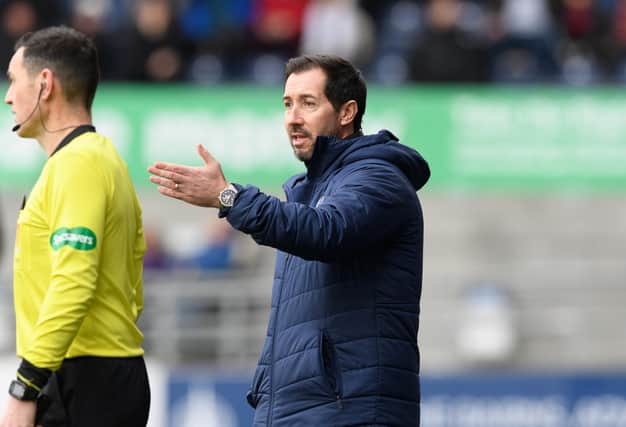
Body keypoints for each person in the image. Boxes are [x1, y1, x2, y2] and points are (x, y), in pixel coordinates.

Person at [149, 54, 430, 426]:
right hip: (299, 408)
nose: (293, 117)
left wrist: (229, 197)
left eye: (308, 103)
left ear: (347, 113)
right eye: (287, 103)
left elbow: (325, 231)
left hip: (350, 410)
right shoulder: (307, 192)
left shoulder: (379, 178)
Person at [1, 26, 149, 427]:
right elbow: (133, 277)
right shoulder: (100, 159)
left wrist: (24, 386)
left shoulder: (78, 164)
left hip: (85, 376)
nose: (9, 95)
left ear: (45, 83)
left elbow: (73, 280)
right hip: (96, 372)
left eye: (14, 80)